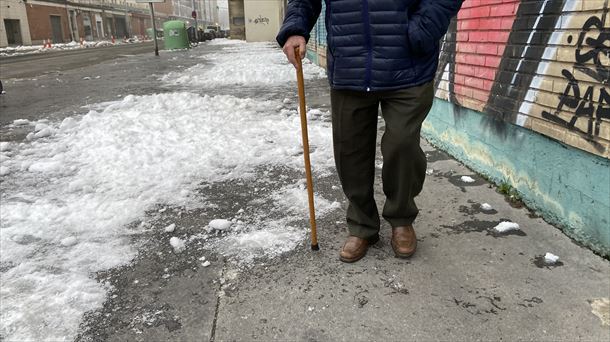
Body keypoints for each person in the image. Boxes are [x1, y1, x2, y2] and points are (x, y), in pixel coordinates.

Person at [277, 0, 463, 263]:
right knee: (349, 151)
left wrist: (423, 28)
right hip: (350, 65)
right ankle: (362, 225)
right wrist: (295, 27)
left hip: (408, 65)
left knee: (403, 144)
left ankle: (401, 219)